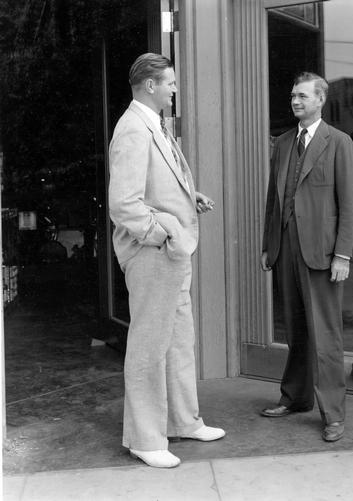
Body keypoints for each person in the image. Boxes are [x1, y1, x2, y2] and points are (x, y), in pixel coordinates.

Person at [108, 53, 225, 468]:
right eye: (170, 83)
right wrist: (166, 231)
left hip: (171, 253)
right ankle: (144, 437)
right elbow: (124, 205)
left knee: (177, 340)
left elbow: (155, 184)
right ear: (150, 86)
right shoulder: (133, 130)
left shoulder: (152, 124)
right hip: (154, 252)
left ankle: (182, 421)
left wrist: (186, 198)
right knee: (149, 345)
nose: (175, 88)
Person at [260, 72, 353, 442]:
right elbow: (275, 199)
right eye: (292, 95)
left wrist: (343, 255)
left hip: (322, 253)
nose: (295, 101)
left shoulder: (339, 142)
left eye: (302, 95)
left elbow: (349, 205)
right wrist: (269, 246)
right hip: (287, 249)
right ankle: (295, 397)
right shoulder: (285, 142)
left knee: (326, 335)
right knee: (296, 329)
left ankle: (333, 413)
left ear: (320, 99)